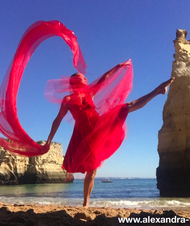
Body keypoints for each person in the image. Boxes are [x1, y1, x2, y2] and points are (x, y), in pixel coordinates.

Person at [44, 62, 174, 207]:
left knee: (127, 106)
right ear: (73, 84)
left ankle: (158, 90)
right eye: (80, 81)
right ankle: (86, 203)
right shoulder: (67, 100)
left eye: (84, 81)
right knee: (90, 170)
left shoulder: (90, 93)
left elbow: (104, 78)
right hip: (82, 136)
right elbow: (58, 120)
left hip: (98, 127)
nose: (84, 83)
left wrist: (118, 67)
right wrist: (49, 140)